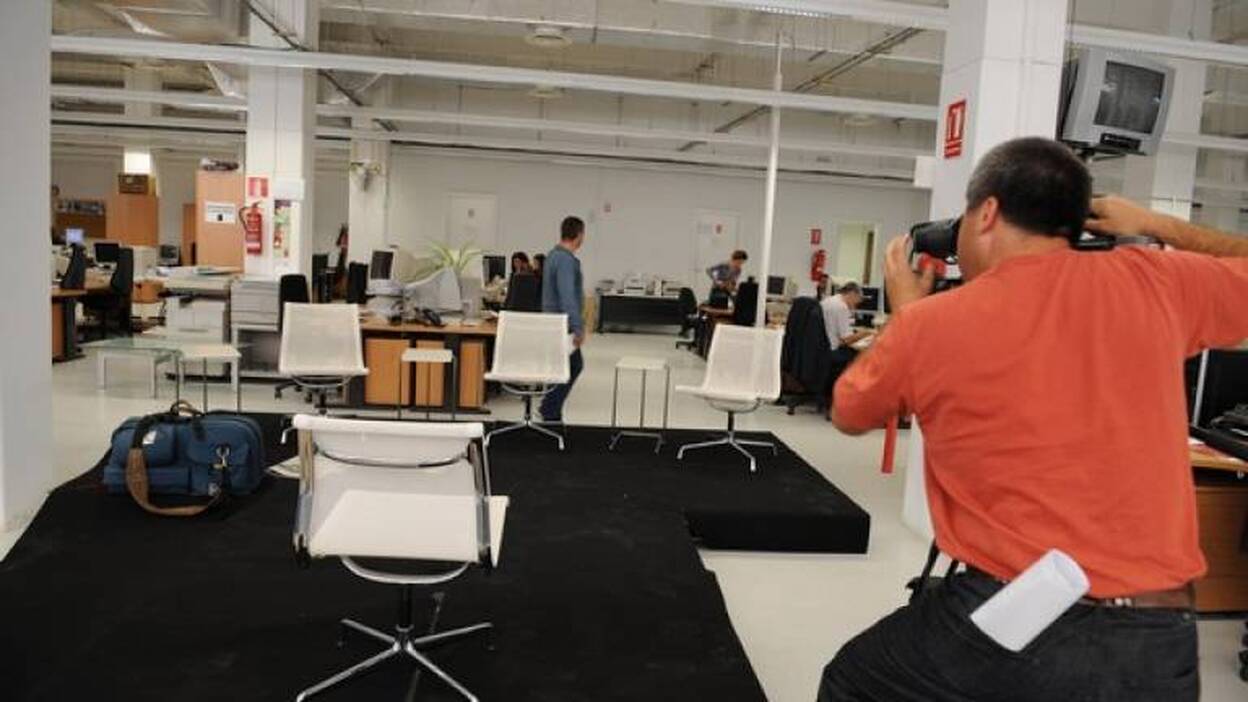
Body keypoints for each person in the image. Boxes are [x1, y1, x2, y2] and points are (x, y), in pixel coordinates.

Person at [819, 136, 1248, 702]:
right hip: (1157, 634)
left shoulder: (933, 323)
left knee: (853, 682)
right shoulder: (1157, 282)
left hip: (1014, 616)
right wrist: (1157, 224)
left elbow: (849, 412)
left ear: (987, 213)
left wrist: (905, 317)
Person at [539, 216, 586, 424]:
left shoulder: (553, 256)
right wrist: (577, 327)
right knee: (574, 366)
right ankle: (549, 410)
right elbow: (567, 296)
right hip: (561, 325)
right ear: (579, 235)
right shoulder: (566, 260)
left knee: (564, 368)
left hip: (551, 322)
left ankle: (551, 411)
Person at [820, 281, 874, 353]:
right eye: (856, 303)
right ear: (852, 294)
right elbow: (847, 340)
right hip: (832, 350)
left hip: (820, 348)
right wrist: (865, 333)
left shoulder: (829, 300)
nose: (855, 307)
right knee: (861, 353)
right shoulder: (842, 306)